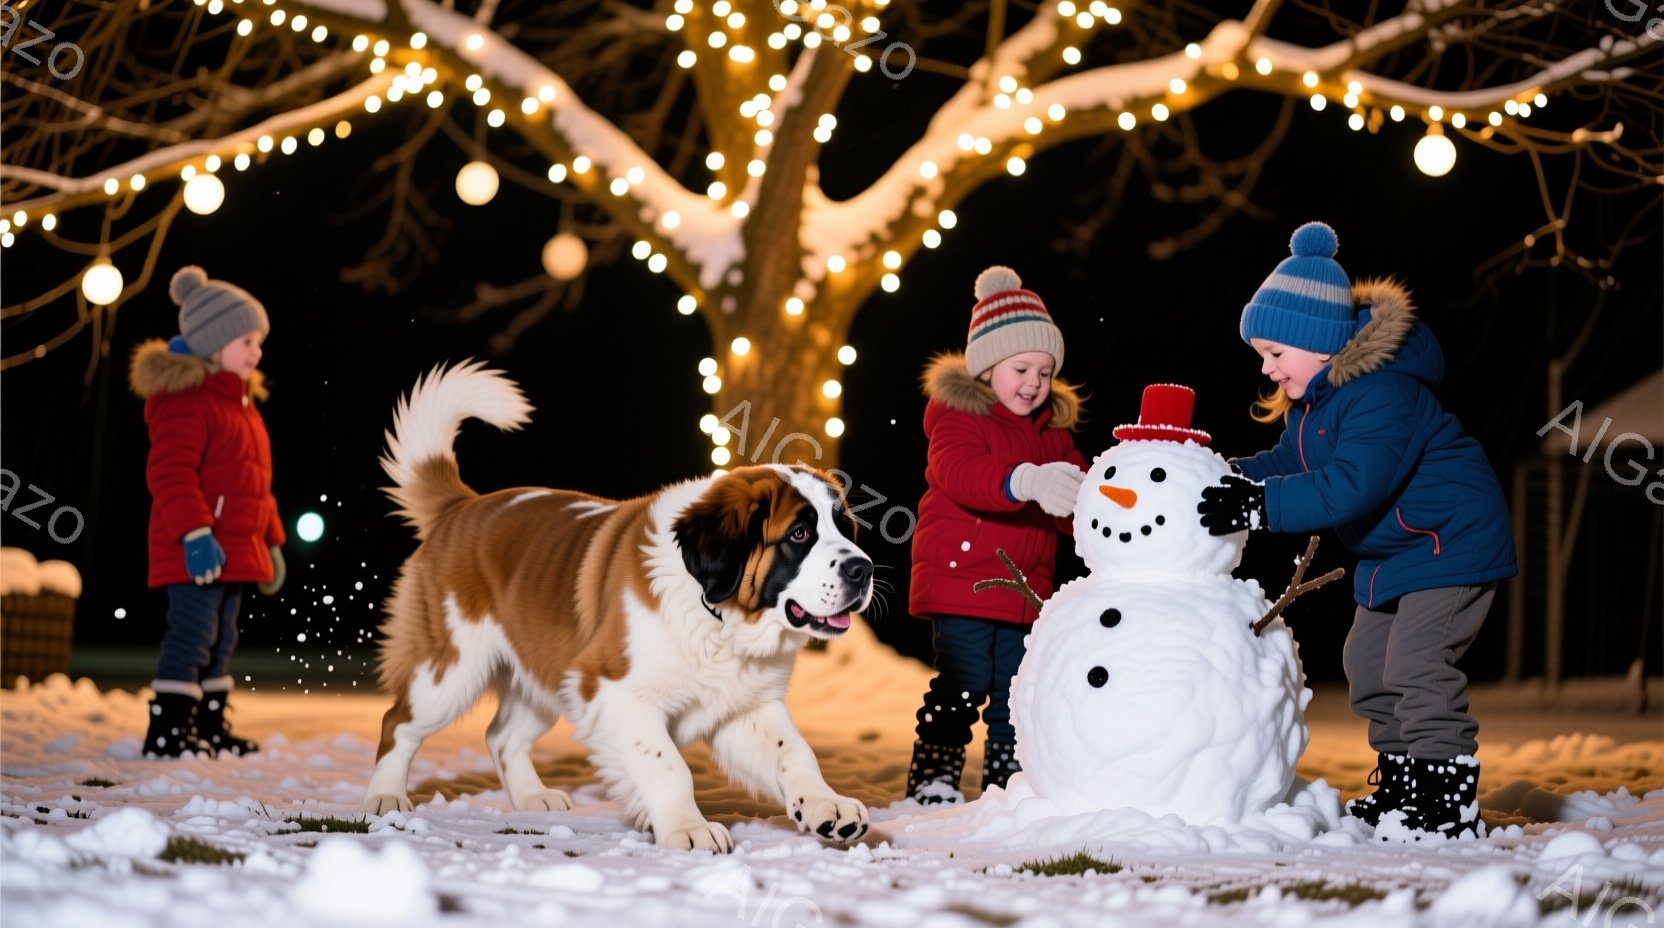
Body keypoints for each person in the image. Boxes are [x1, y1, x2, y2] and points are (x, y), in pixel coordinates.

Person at [1197, 222, 1516, 841]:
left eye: (1274, 354)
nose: (1267, 370)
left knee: (1417, 664)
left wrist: (1259, 507)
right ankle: (1404, 782)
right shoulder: (1318, 407)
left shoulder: (1382, 393)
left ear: (1316, 342)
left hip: (1450, 541)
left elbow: (1352, 484)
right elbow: (1291, 463)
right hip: (1396, 552)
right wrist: (1220, 474)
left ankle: (1446, 800)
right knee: (1367, 664)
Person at [906, 265, 1088, 803]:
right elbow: (961, 475)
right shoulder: (958, 417)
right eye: (1022, 368)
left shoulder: (1054, 435)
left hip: (1025, 591)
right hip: (960, 580)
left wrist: (1082, 505)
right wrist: (1024, 480)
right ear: (987, 369)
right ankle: (934, 776)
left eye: (1045, 371)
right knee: (962, 683)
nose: (1034, 382)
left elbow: (1074, 499)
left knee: (1015, 693)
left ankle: (1007, 782)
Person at [129, 266, 286, 758]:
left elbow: (255, 484)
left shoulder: (243, 406)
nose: (256, 351)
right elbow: (171, 474)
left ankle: (210, 726)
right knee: (193, 634)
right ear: (213, 343)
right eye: (246, 340)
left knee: (222, 637)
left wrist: (271, 540)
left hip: (236, 547)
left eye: (258, 341)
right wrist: (195, 534)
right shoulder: (185, 401)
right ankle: (169, 731)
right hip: (196, 547)